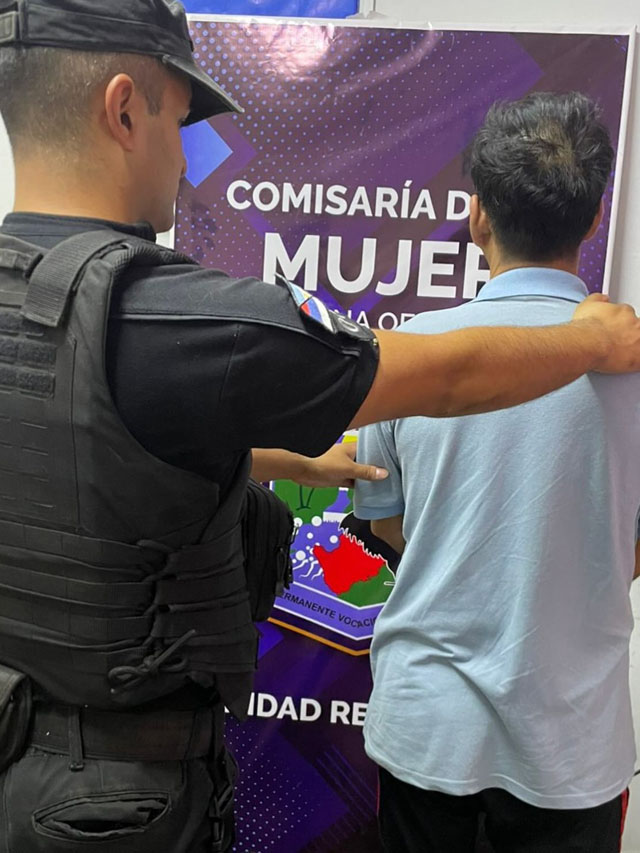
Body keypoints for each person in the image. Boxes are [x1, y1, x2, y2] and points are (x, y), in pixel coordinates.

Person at [0, 2, 639, 848]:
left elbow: (107, 438)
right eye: (181, 122)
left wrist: (283, 460)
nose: (186, 159)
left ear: (478, 213)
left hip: (21, 760)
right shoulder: (186, 321)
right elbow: (442, 377)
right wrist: (591, 340)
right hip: (130, 797)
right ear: (123, 110)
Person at [354, 91, 640, 853]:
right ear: (593, 218)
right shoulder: (632, 360)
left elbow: (389, 524)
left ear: (476, 214)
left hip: (429, 725)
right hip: (572, 740)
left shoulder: (408, 353)